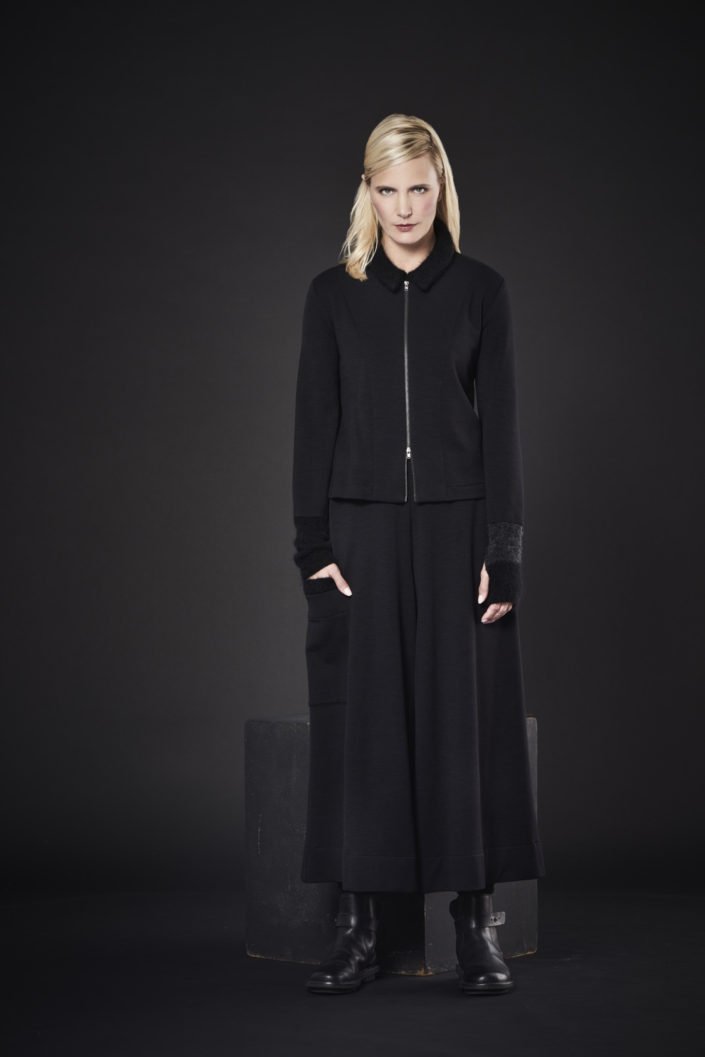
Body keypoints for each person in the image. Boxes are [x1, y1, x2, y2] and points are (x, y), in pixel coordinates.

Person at [291, 113, 545, 996]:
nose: (404, 207)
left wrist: (502, 549)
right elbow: (312, 426)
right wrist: (312, 547)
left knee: (464, 723)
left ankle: (474, 925)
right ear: (367, 192)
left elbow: (501, 430)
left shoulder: (480, 291)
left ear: (441, 190)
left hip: (456, 530)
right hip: (361, 532)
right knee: (362, 728)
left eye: (419, 188)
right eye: (388, 189)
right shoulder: (332, 295)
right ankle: (358, 930)